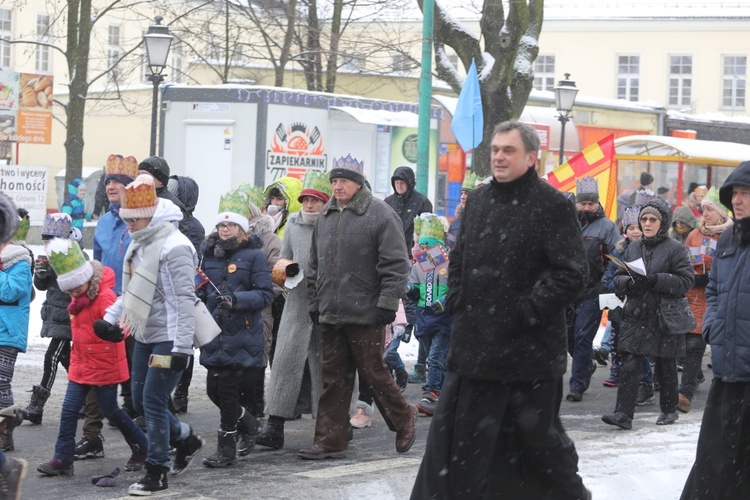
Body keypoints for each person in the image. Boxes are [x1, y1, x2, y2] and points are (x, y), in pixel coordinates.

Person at [411, 121, 590, 498]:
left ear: (530, 157)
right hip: (474, 350)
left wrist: (524, 312)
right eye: (495, 149)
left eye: (508, 150)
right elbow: (458, 259)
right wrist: (459, 300)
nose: (499, 157)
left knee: (540, 449)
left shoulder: (553, 204)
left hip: (529, 356)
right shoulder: (477, 201)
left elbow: (572, 273)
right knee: (463, 449)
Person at [92, 175, 203, 495]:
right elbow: (130, 291)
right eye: (125, 219)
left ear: (151, 216)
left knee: (153, 402)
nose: (128, 225)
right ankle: (186, 439)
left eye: (134, 219)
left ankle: (157, 470)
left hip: (170, 336)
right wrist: (112, 320)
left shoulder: (176, 246)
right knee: (140, 401)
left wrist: (182, 346)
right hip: (144, 333)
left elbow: (185, 301)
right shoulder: (140, 243)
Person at [301, 154, 416, 459]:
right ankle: (329, 440)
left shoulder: (380, 214)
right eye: (335, 181)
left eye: (344, 181)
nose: (338, 186)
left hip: (366, 310)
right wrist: (315, 300)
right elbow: (314, 263)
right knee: (333, 379)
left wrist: (388, 303)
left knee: (374, 373)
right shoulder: (325, 216)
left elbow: (395, 263)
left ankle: (404, 418)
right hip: (331, 311)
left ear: (358, 183)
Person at [36, 238, 148, 476]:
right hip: (82, 365)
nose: (74, 292)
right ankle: (63, 458)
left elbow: (123, 324)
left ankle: (142, 447)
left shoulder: (105, 296)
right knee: (68, 412)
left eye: (77, 287)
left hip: (105, 365)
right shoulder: (77, 300)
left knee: (112, 412)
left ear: (87, 279)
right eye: (70, 289)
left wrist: (116, 333)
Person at [681, 160, 750, 499]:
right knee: (715, 459)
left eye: (746, 193)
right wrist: (713, 328)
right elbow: (714, 291)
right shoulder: (728, 240)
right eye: (734, 193)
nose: (738, 200)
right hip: (727, 370)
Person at [603, 199, 694, 430]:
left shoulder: (676, 249)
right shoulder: (633, 247)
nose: (647, 223)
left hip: (664, 315)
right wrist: (628, 284)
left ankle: (669, 410)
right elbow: (617, 277)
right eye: (644, 219)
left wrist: (656, 280)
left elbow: (686, 281)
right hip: (637, 314)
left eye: (652, 219)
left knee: (665, 365)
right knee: (630, 364)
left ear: (662, 222)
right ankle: (623, 414)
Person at [197, 192, 273, 468]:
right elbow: (203, 289)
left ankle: (226, 449)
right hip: (214, 333)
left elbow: (265, 295)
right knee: (214, 391)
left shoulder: (254, 256)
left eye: (231, 225)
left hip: (241, 332)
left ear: (242, 229)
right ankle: (249, 423)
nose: (225, 229)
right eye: (221, 225)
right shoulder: (209, 256)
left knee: (227, 393)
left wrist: (237, 300)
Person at [72, 154, 138, 462]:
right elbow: (95, 265)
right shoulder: (105, 222)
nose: (111, 186)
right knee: (96, 373)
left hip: (137, 307)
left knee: (136, 375)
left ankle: (149, 434)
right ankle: (91, 436)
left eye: (118, 182)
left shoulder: (138, 219)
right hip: (105, 307)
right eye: (108, 181)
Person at [257, 173, 330, 449]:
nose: (310, 206)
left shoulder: (333, 225)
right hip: (296, 305)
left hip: (325, 308)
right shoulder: (294, 226)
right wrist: (286, 273)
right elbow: (281, 260)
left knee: (326, 370)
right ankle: (274, 426)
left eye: (315, 201)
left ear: (325, 203)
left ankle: (333, 425)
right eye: (306, 200)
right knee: (285, 366)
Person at [21, 214, 81, 425]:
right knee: (67, 359)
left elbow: (75, 284)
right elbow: (42, 287)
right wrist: (41, 273)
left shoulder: (73, 254)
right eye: (44, 239)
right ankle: (88, 397)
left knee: (51, 357)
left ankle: (37, 406)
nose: (46, 243)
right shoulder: (52, 255)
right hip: (55, 314)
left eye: (49, 239)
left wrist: (56, 266)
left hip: (67, 316)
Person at [566, 175, 620, 402]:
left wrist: (606, 285)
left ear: (598, 204)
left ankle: (577, 385)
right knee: (569, 338)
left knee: (582, 337)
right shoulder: (566, 223)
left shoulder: (607, 226)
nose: (587, 207)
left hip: (593, 292)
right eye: (583, 203)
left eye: (591, 203)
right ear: (576, 202)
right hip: (567, 292)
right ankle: (586, 365)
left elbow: (615, 258)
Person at [679, 187, 732, 413]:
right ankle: (687, 389)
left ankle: (690, 392)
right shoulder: (694, 234)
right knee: (690, 346)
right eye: (703, 209)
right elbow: (685, 261)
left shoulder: (731, 236)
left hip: (720, 299)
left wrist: (713, 277)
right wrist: (693, 276)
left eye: (710, 209)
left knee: (715, 349)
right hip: (694, 297)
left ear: (722, 212)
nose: (706, 213)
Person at [405, 213, 451, 416]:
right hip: (424, 319)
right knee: (438, 358)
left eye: (427, 248)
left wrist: (444, 301)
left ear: (437, 247)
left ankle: (431, 393)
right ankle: (445, 391)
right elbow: (415, 293)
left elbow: (456, 289)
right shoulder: (418, 267)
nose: (422, 252)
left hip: (443, 319)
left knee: (434, 358)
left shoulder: (448, 265)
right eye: (421, 248)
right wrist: (409, 289)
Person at [0, 192, 28, 499]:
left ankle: (7, 428)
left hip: (7, 333)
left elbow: (12, 292)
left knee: (1, 381)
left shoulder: (19, 259)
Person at [602, 206, 643, 388]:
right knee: (617, 338)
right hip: (620, 302)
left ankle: (644, 377)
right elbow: (609, 276)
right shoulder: (618, 251)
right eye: (631, 227)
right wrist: (617, 286)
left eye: (638, 227)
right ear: (625, 230)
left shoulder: (648, 249)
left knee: (641, 341)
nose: (635, 231)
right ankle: (616, 371)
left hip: (642, 303)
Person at [384, 166, 433, 258]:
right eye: (397, 182)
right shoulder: (388, 202)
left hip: (413, 253)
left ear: (409, 183)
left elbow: (427, 231)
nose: (399, 185)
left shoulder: (422, 202)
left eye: (402, 182)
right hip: (391, 252)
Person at [446, 172, 477, 250]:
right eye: (461, 193)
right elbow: (450, 247)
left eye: (466, 193)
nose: (462, 197)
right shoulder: (455, 223)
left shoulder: (482, 220)